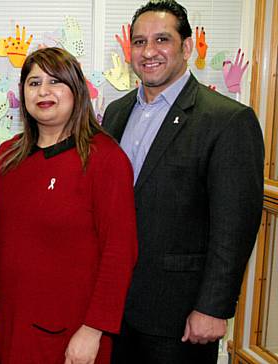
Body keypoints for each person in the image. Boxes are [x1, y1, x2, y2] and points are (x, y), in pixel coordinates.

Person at [102, 1, 264, 363]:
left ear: (186, 47)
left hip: (181, 317)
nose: (149, 52)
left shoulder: (227, 120)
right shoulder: (115, 113)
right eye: (139, 42)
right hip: (115, 311)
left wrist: (213, 307)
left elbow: (234, 225)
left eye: (162, 39)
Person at [0, 47, 138, 364]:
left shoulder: (104, 159)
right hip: (11, 327)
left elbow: (120, 252)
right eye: (34, 82)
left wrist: (94, 329)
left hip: (73, 336)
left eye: (56, 81)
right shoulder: (6, 156)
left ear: (76, 90)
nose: (44, 91)